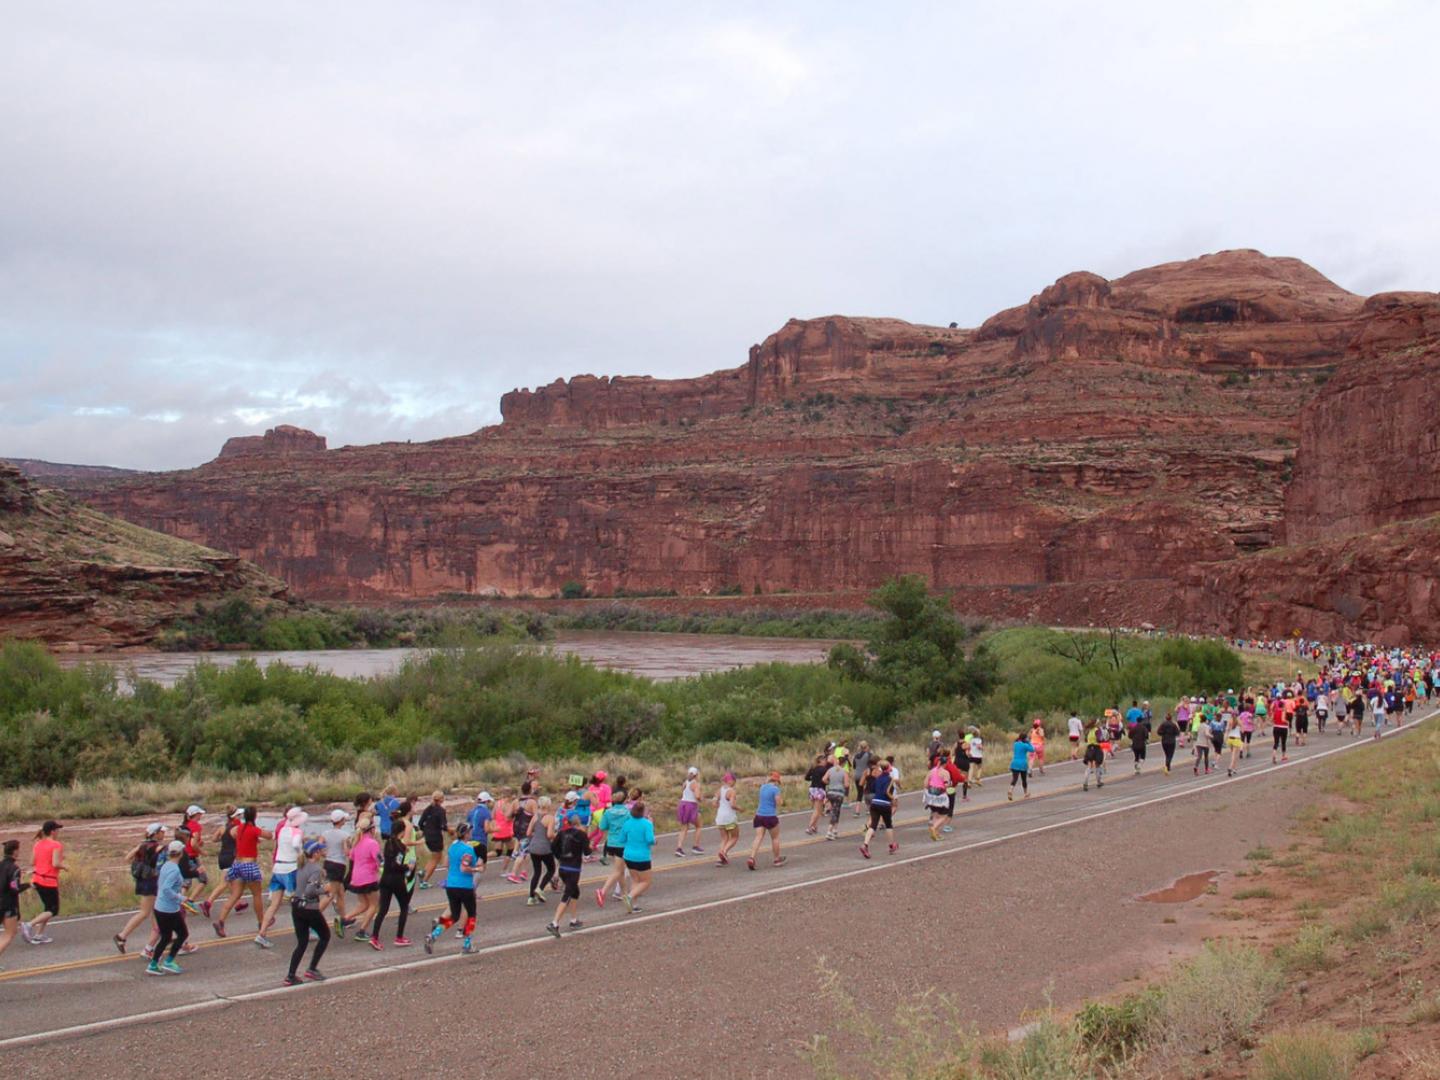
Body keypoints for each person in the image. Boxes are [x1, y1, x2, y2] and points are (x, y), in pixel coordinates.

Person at [281, 838, 333, 985]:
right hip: (309, 908)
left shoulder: (301, 866)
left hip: (296, 907)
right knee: (325, 936)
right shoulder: (316, 869)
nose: (322, 852)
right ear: (315, 853)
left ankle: (291, 975)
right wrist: (324, 889)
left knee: (302, 943)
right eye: (320, 850)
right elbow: (310, 891)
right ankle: (312, 968)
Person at [256, 807, 307, 949]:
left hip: (278, 867)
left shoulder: (283, 830)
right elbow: (296, 844)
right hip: (290, 868)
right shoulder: (297, 832)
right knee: (300, 901)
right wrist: (300, 853)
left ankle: (262, 933)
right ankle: (306, 930)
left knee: (274, 904)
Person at [425, 822, 480, 954]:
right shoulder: (468, 849)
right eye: (470, 831)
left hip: (451, 885)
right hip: (465, 885)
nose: (471, 833)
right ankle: (467, 944)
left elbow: (446, 864)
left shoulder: (452, 847)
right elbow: (468, 867)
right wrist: (476, 869)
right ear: (466, 834)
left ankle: (434, 935)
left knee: (454, 916)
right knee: (471, 915)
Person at [212, 807, 265, 938]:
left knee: (235, 894)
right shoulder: (252, 829)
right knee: (257, 894)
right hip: (249, 864)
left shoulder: (237, 828)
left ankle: (220, 922)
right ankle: (261, 922)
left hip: (237, 863)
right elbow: (268, 836)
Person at [115, 822, 165, 953]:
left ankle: (160, 936)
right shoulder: (158, 848)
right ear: (156, 834)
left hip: (142, 881)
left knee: (155, 911)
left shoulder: (141, 846)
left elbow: (127, 858)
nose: (163, 834)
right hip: (152, 882)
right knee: (145, 912)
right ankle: (122, 936)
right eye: (162, 832)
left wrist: (141, 864)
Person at [369, 811, 414, 949]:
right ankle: (399, 937)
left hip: (385, 879)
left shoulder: (388, 843)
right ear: (402, 831)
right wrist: (408, 867)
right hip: (396, 880)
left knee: (383, 909)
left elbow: (387, 862)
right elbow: (396, 865)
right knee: (404, 907)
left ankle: (374, 937)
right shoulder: (400, 847)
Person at [147, 840, 189, 976]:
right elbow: (166, 888)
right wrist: (180, 898)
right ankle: (169, 961)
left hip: (160, 907)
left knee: (166, 937)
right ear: (181, 853)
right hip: (169, 909)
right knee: (182, 934)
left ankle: (153, 964)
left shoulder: (166, 865)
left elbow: (161, 885)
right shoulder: (175, 870)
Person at [545, 812, 591, 937]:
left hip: (563, 867)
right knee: (568, 894)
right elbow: (587, 852)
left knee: (575, 892)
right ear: (578, 823)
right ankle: (554, 923)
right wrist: (588, 844)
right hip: (573, 869)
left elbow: (553, 847)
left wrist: (560, 857)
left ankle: (573, 920)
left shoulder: (562, 833)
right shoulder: (581, 835)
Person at [23, 820, 64, 945]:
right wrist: (65, 866)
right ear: (52, 831)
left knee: (47, 908)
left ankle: (39, 934)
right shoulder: (56, 845)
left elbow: (32, 862)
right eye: (57, 830)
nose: (58, 832)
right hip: (48, 881)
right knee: (53, 910)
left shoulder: (38, 844)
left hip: (37, 879)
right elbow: (55, 863)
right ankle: (29, 924)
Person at [347, 816, 381, 945]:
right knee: (374, 905)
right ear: (371, 829)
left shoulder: (357, 842)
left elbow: (351, 857)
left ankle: (345, 918)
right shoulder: (372, 843)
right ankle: (362, 931)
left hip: (356, 877)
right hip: (369, 877)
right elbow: (379, 860)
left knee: (363, 904)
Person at [320, 809, 353, 937]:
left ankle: (344, 918)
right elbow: (347, 852)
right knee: (331, 894)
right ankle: (314, 916)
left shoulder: (325, 833)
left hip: (328, 862)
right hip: (339, 865)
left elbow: (319, 845)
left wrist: (325, 853)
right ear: (341, 821)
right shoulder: (345, 835)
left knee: (340, 892)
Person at [620, 800, 657, 913]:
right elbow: (650, 840)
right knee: (646, 881)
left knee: (635, 879)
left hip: (628, 855)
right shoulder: (647, 824)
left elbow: (621, 839)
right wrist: (655, 840)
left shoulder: (627, 823)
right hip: (642, 856)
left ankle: (634, 905)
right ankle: (629, 897)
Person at [746, 771, 786, 871]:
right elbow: (778, 802)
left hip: (759, 815)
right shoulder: (775, 789)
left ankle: (752, 857)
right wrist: (782, 802)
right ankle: (776, 859)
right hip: (770, 816)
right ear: (777, 781)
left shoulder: (762, 787)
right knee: (775, 838)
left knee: (758, 837)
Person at [0, 839, 31, 969]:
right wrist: (28, 885)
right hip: (8, 905)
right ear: (15, 851)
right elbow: (15, 888)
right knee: (10, 933)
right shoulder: (14, 869)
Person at [860, 761, 897, 858]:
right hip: (885, 804)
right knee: (888, 825)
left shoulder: (878, 778)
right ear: (888, 769)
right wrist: (893, 799)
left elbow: (873, 788)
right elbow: (887, 792)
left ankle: (865, 844)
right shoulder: (889, 779)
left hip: (875, 803)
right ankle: (891, 845)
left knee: (873, 825)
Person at [596, 796, 629, 903]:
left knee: (621, 870)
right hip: (623, 843)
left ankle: (625, 895)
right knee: (618, 871)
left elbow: (602, 826)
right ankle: (603, 891)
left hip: (611, 842)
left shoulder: (608, 812)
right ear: (624, 801)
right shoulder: (627, 812)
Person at [526, 797, 558, 905]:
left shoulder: (535, 816)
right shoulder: (550, 818)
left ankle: (531, 897)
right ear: (548, 805)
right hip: (545, 848)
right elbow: (549, 835)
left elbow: (528, 833)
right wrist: (556, 835)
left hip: (533, 847)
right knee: (551, 869)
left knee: (537, 872)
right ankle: (540, 888)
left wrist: (537, 835)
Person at [418, 791, 448, 888]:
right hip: (436, 836)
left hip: (427, 835)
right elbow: (443, 826)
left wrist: (425, 830)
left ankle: (423, 871)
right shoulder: (441, 810)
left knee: (433, 856)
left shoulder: (428, 809)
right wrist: (450, 831)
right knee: (436, 858)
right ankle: (425, 880)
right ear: (441, 799)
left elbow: (420, 823)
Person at [712, 773, 740, 864]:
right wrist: (740, 809)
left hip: (720, 817)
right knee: (735, 837)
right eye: (734, 781)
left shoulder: (719, 791)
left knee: (724, 838)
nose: (735, 783)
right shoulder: (731, 791)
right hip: (729, 817)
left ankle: (719, 859)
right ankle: (723, 852)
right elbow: (732, 805)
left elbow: (714, 803)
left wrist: (720, 806)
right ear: (730, 781)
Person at [676, 766, 704, 856]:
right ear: (696, 775)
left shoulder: (685, 782)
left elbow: (683, 792)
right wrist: (701, 799)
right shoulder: (695, 783)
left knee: (684, 827)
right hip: (691, 805)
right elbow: (697, 796)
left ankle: (679, 848)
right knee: (698, 826)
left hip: (683, 804)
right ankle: (696, 846)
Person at [924, 756, 950, 839]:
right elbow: (946, 785)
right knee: (944, 815)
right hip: (940, 796)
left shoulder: (931, 771)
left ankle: (936, 834)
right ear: (945, 764)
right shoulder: (945, 773)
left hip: (931, 796)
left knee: (935, 814)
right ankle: (934, 828)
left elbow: (925, 784)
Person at [822, 756, 848, 841]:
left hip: (830, 792)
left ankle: (835, 830)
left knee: (836, 811)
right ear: (844, 763)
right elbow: (846, 784)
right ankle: (829, 831)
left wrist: (830, 783)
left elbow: (824, 779)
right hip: (838, 793)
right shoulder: (844, 771)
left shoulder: (830, 770)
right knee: (835, 812)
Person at [804, 755, 830, 836]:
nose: (826, 762)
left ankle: (814, 826)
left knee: (817, 809)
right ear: (821, 760)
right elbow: (826, 779)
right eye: (825, 760)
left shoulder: (813, 768)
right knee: (817, 810)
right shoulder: (824, 770)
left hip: (812, 789)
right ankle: (809, 827)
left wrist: (813, 778)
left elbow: (806, 778)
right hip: (819, 789)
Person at [1008, 730, 1034, 801]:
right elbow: (1032, 749)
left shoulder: (1015, 744)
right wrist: (1028, 742)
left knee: (1014, 779)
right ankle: (1025, 793)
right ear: (1025, 738)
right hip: (1022, 764)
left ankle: (1010, 790)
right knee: (1024, 779)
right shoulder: (1025, 745)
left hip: (1014, 763)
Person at [850, 742, 873, 815]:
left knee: (859, 793)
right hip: (865, 775)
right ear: (866, 747)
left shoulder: (856, 755)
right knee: (867, 791)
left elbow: (854, 766)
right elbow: (871, 764)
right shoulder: (869, 755)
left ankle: (857, 811)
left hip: (857, 775)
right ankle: (868, 808)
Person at [1083, 720, 1106, 790]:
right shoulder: (1097, 730)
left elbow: (1085, 740)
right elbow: (1100, 739)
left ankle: (1085, 783)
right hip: (1096, 749)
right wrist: (1103, 739)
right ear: (1096, 724)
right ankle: (1099, 782)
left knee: (1089, 767)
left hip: (1089, 749)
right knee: (1097, 766)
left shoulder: (1088, 731)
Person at [1129, 709, 1150, 775]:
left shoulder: (1133, 728)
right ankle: (1139, 766)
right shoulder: (1144, 728)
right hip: (1142, 744)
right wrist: (1146, 739)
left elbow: (1129, 735)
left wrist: (1133, 738)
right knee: (1142, 757)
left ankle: (1136, 769)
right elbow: (1146, 735)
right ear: (1141, 721)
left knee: (1136, 757)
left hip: (1134, 745)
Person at [1224, 710, 1244, 777]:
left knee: (1233, 754)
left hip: (1230, 739)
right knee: (1234, 755)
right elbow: (1243, 730)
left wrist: (1225, 739)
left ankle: (1234, 768)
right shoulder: (1239, 721)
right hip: (1236, 739)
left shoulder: (1229, 721)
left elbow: (1227, 730)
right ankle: (1230, 767)